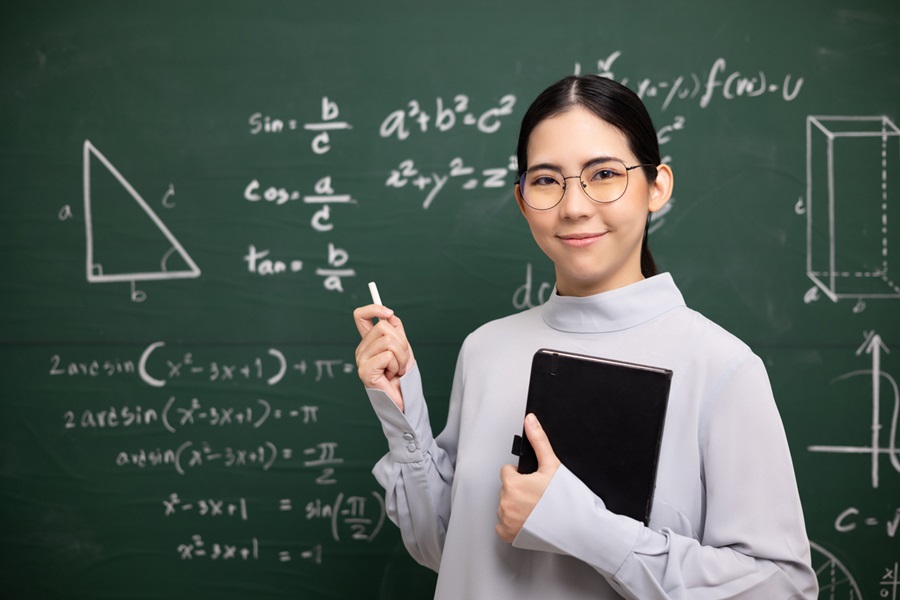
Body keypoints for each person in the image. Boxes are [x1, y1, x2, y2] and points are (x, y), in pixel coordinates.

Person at [353, 75, 818, 599]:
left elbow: (782, 587)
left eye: (603, 174)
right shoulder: (485, 349)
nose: (574, 206)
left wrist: (582, 527)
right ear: (523, 198)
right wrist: (402, 413)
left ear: (657, 187)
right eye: (547, 180)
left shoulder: (720, 367)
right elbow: (449, 549)